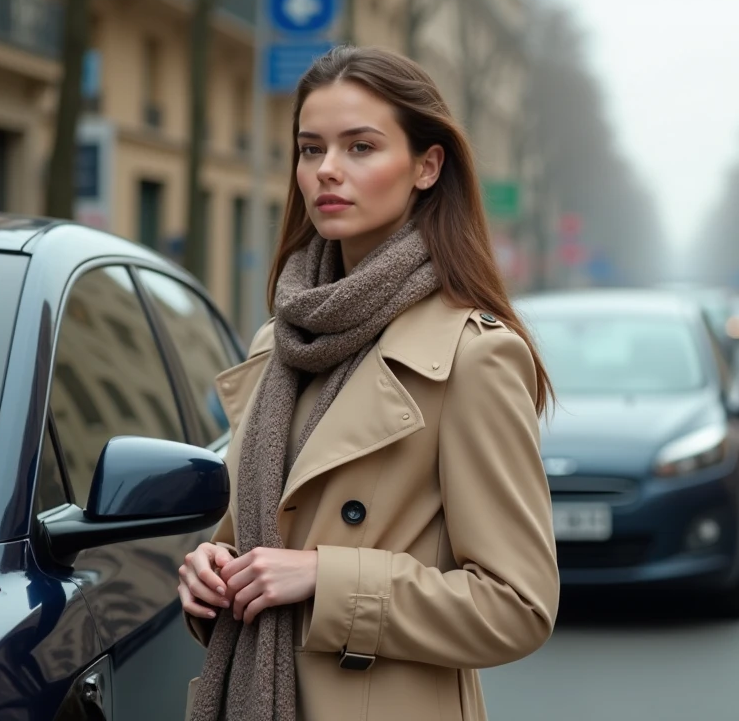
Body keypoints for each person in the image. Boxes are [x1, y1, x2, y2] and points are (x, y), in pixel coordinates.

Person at [177, 46, 559, 721]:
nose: (327, 169)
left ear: (426, 166)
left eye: (360, 147)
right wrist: (212, 567)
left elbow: (517, 606)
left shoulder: (471, 357)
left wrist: (327, 579)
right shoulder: (280, 345)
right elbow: (256, 537)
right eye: (311, 149)